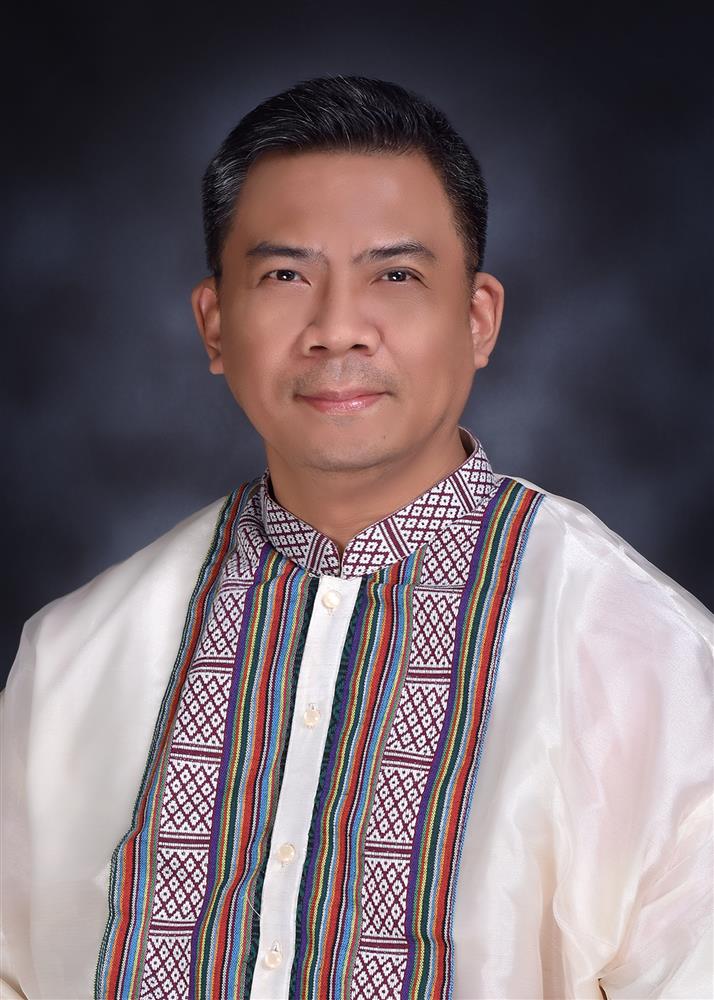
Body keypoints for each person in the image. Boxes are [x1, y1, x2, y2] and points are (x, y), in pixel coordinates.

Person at [1, 75, 711, 1000]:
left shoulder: (648, 659)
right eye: (285, 275)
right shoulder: (72, 659)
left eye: (395, 276)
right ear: (214, 324)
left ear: (478, 319)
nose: (337, 330)